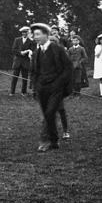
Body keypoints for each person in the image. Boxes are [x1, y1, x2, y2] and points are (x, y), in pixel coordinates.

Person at [30, 23, 72, 152]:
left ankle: (50, 140)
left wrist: (59, 83)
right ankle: (54, 141)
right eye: (34, 35)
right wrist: (35, 87)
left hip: (56, 88)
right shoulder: (37, 52)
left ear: (46, 35)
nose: (35, 37)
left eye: (38, 34)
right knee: (47, 115)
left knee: (50, 112)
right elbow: (34, 72)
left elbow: (68, 68)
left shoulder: (57, 49)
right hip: (42, 88)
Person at [10, 26, 34, 97]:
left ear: (27, 33)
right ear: (21, 33)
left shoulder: (31, 41)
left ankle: (23, 92)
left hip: (25, 62)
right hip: (17, 61)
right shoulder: (17, 40)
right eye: (23, 32)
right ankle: (12, 92)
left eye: (25, 32)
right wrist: (20, 53)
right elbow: (13, 50)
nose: (24, 33)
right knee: (14, 77)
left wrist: (27, 52)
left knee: (25, 78)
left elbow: (33, 50)